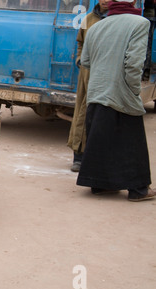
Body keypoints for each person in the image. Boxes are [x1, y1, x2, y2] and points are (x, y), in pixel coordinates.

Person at [77, 0, 155, 201]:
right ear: (134, 2)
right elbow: (134, 64)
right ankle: (139, 190)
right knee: (131, 143)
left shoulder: (96, 26)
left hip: (96, 92)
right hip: (121, 92)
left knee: (101, 139)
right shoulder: (140, 23)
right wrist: (134, 91)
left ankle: (100, 185)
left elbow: (85, 61)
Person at [67, 0, 110, 172]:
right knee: (82, 112)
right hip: (87, 73)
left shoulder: (117, 19)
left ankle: (99, 158)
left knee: (103, 113)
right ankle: (78, 156)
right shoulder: (88, 19)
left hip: (108, 74)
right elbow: (80, 44)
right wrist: (79, 60)